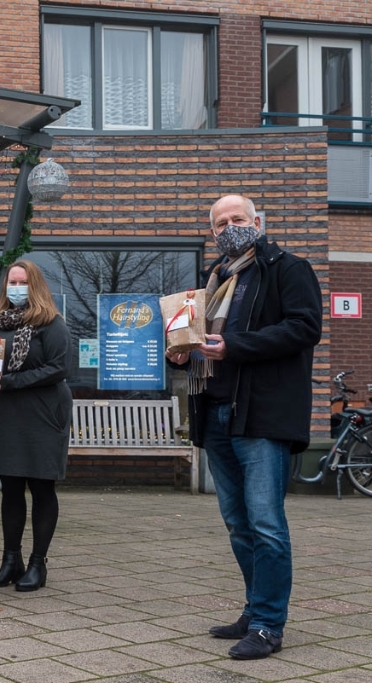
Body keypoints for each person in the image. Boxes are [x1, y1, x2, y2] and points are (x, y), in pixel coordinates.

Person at [166, 194, 322, 660]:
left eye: (238, 219)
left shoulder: (288, 269)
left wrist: (232, 346)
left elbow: (304, 328)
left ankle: (270, 625)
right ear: (213, 233)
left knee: (266, 523)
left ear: (258, 222)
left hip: (262, 414)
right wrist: (179, 352)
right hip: (214, 411)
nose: (229, 227)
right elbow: (198, 342)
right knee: (238, 524)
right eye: (220, 223)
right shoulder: (211, 281)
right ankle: (256, 611)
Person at [0, 260, 73, 592]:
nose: (15, 288)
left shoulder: (51, 323)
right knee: (11, 489)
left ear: (36, 286)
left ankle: (37, 564)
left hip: (43, 416)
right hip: (5, 416)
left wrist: (10, 381)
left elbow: (58, 368)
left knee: (42, 488)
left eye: (22, 282)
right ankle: (10, 560)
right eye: (11, 282)